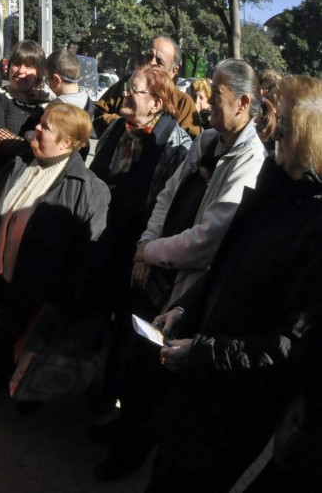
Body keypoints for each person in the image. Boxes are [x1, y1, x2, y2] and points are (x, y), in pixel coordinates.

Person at [90, 59, 266, 481]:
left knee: (155, 372)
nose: (206, 108)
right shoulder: (207, 140)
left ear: (243, 103)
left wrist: (152, 253)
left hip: (184, 286)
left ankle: (133, 448)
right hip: (155, 267)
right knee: (135, 357)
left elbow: (208, 239)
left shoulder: (251, 159)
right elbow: (167, 197)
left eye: (217, 98)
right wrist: (145, 245)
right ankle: (123, 426)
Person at [147, 74, 322, 491]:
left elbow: (288, 346)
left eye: (277, 126)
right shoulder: (274, 188)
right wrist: (185, 309)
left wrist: (202, 354)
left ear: (303, 136)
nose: (268, 133)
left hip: (235, 405)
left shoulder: (315, 224)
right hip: (200, 381)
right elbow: (226, 268)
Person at [0, 102, 110, 403]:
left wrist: (70, 299)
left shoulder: (88, 188)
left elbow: (89, 253)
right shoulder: (17, 165)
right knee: (5, 333)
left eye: (46, 127)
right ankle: (0, 375)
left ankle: (32, 391)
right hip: (3, 275)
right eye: (40, 122)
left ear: (67, 142)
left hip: (44, 289)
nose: (36, 129)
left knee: (30, 341)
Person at [89, 63, 191, 426]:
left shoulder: (175, 144)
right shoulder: (117, 127)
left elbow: (168, 205)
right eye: (128, 88)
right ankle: (87, 386)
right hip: (105, 240)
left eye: (136, 90)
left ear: (158, 102)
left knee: (125, 330)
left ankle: (112, 398)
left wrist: (148, 251)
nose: (126, 95)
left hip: (138, 253)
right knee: (94, 314)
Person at [94, 36, 200, 138]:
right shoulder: (126, 84)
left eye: (160, 62)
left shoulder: (183, 103)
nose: (151, 63)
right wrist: (124, 127)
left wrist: (151, 134)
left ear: (173, 71)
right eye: (149, 56)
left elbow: (189, 146)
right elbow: (99, 114)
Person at [0, 40, 49, 168]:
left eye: (29, 66)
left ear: (39, 72)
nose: (21, 70)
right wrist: (39, 151)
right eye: (16, 63)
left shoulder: (47, 105)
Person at [45, 49, 93, 116]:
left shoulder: (54, 109)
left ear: (57, 79)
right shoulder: (88, 100)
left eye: (47, 80)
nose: (48, 85)